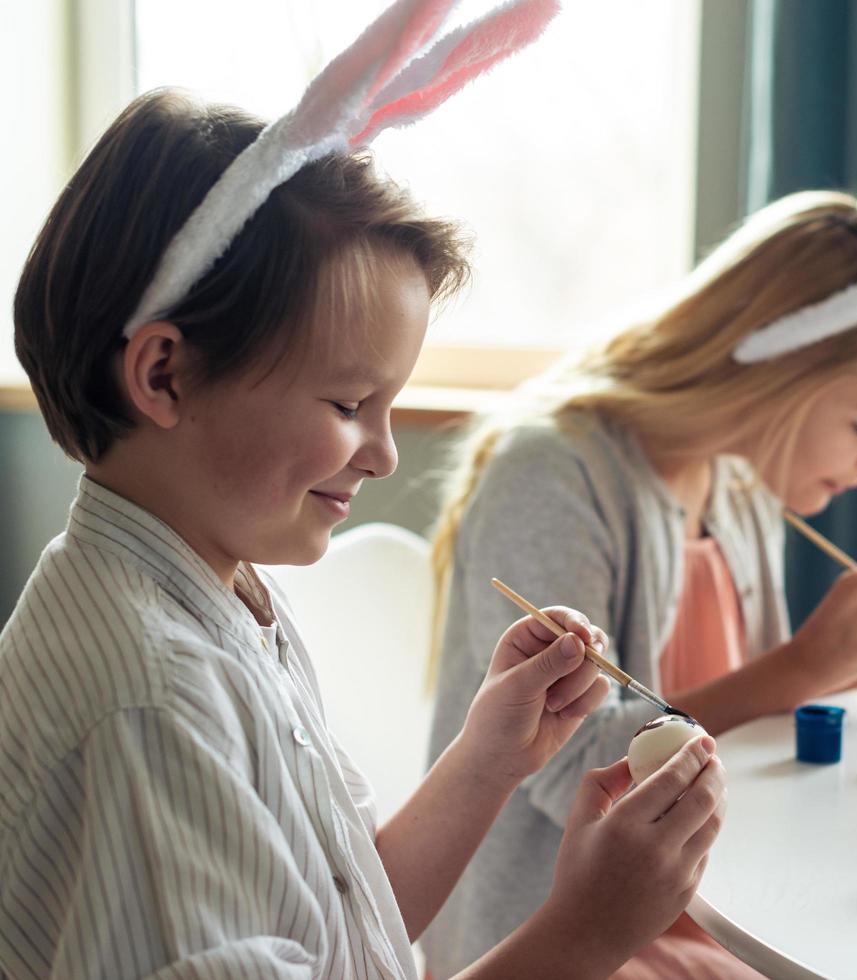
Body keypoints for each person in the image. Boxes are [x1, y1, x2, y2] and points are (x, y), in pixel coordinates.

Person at [0, 4, 727, 976]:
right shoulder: (150, 699)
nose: (382, 454)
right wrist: (587, 929)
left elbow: (345, 923)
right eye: (349, 401)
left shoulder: (219, 591)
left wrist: (489, 755)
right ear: (165, 374)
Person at [423, 189, 857, 976]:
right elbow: (568, 772)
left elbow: (744, 706)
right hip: (569, 938)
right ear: (775, 379)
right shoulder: (553, 473)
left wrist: (849, 663)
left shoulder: (735, 480)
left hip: (721, 893)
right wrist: (802, 666)